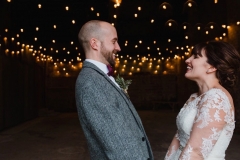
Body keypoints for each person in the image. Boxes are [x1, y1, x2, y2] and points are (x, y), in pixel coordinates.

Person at [75, 20, 153, 160]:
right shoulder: (91, 83)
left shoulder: (100, 77)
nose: (118, 47)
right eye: (113, 41)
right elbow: (118, 144)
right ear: (95, 44)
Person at [165, 41, 240, 160]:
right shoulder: (195, 97)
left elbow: (196, 152)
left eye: (195, 56)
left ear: (212, 67)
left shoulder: (216, 98)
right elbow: (178, 138)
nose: (187, 60)